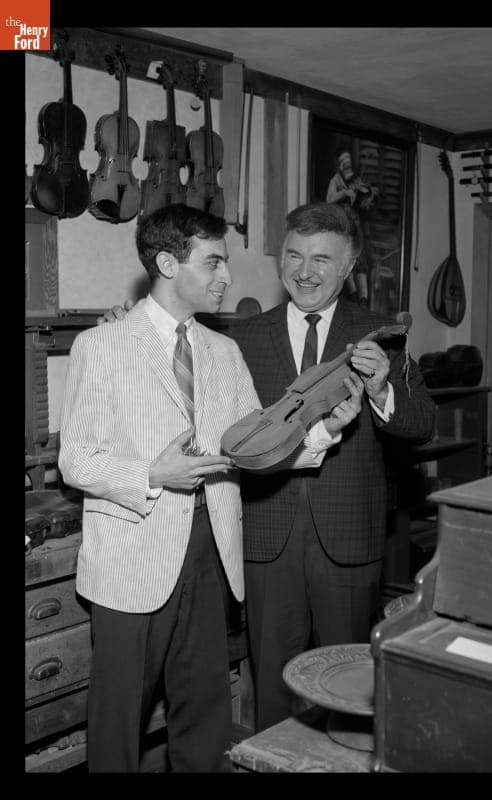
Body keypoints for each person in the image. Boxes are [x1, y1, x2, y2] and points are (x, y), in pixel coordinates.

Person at [102, 202, 436, 733]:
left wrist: (382, 390)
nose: (305, 271)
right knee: (272, 685)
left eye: (323, 260)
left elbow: (421, 425)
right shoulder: (240, 336)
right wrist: (124, 324)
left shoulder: (381, 334)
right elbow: (174, 354)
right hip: (264, 537)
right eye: (295, 255)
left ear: (349, 267)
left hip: (348, 540)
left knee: (349, 685)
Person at [60, 203, 363, 771]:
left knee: (204, 711)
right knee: (118, 718)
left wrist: (324, 430)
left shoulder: (225, 352)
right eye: (215, 262)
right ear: (169, 263)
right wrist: (152, 473)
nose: (228, 277)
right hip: (132, 556)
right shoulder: (100, 346)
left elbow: (257, 448)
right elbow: (75, 458)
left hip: (210, 550)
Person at [326, 149, 379, 306]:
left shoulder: (355, 179)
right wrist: (345, 192)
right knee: (347, 261)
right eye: (345, 163)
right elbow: (329, 199)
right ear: (341, 165)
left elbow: (362, 204)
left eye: (350, 163)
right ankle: (354, 296)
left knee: (360, 261)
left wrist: (370, 196)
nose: (348, 166)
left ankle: (363, 300)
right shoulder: (335, 180)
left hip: (356, 225)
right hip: (342, 226)